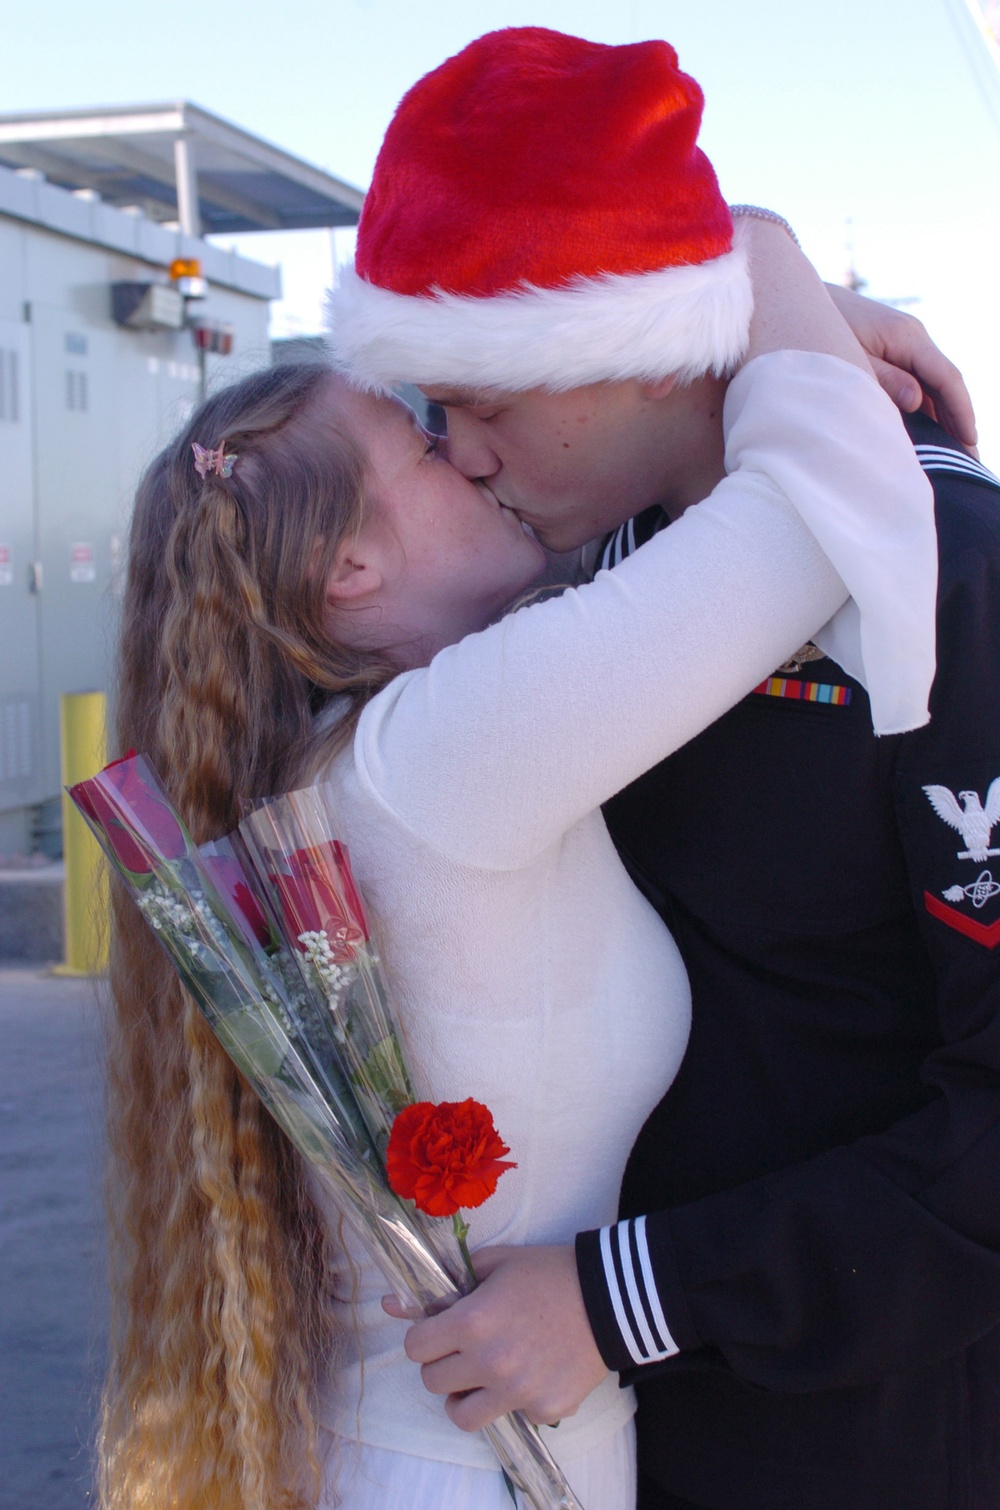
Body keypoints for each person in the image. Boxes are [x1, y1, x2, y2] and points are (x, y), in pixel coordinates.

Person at [101, 178, 937, 1508]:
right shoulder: (452, 750)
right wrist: (756, 252)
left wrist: (747, 334)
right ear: (350, 575)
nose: (473, 452)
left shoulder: (357, 750)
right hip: (479, 1473)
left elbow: (631, 480)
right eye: (425, 444)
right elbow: (815, 506)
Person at [326, 26, 1000, 1510]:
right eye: (433, 416)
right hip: (611, 1431)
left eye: (486, 401)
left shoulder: (948, 578)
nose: (467, 456)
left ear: (625, 342)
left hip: (867, 1430)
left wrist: (627, 1294)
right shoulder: (581, 588)